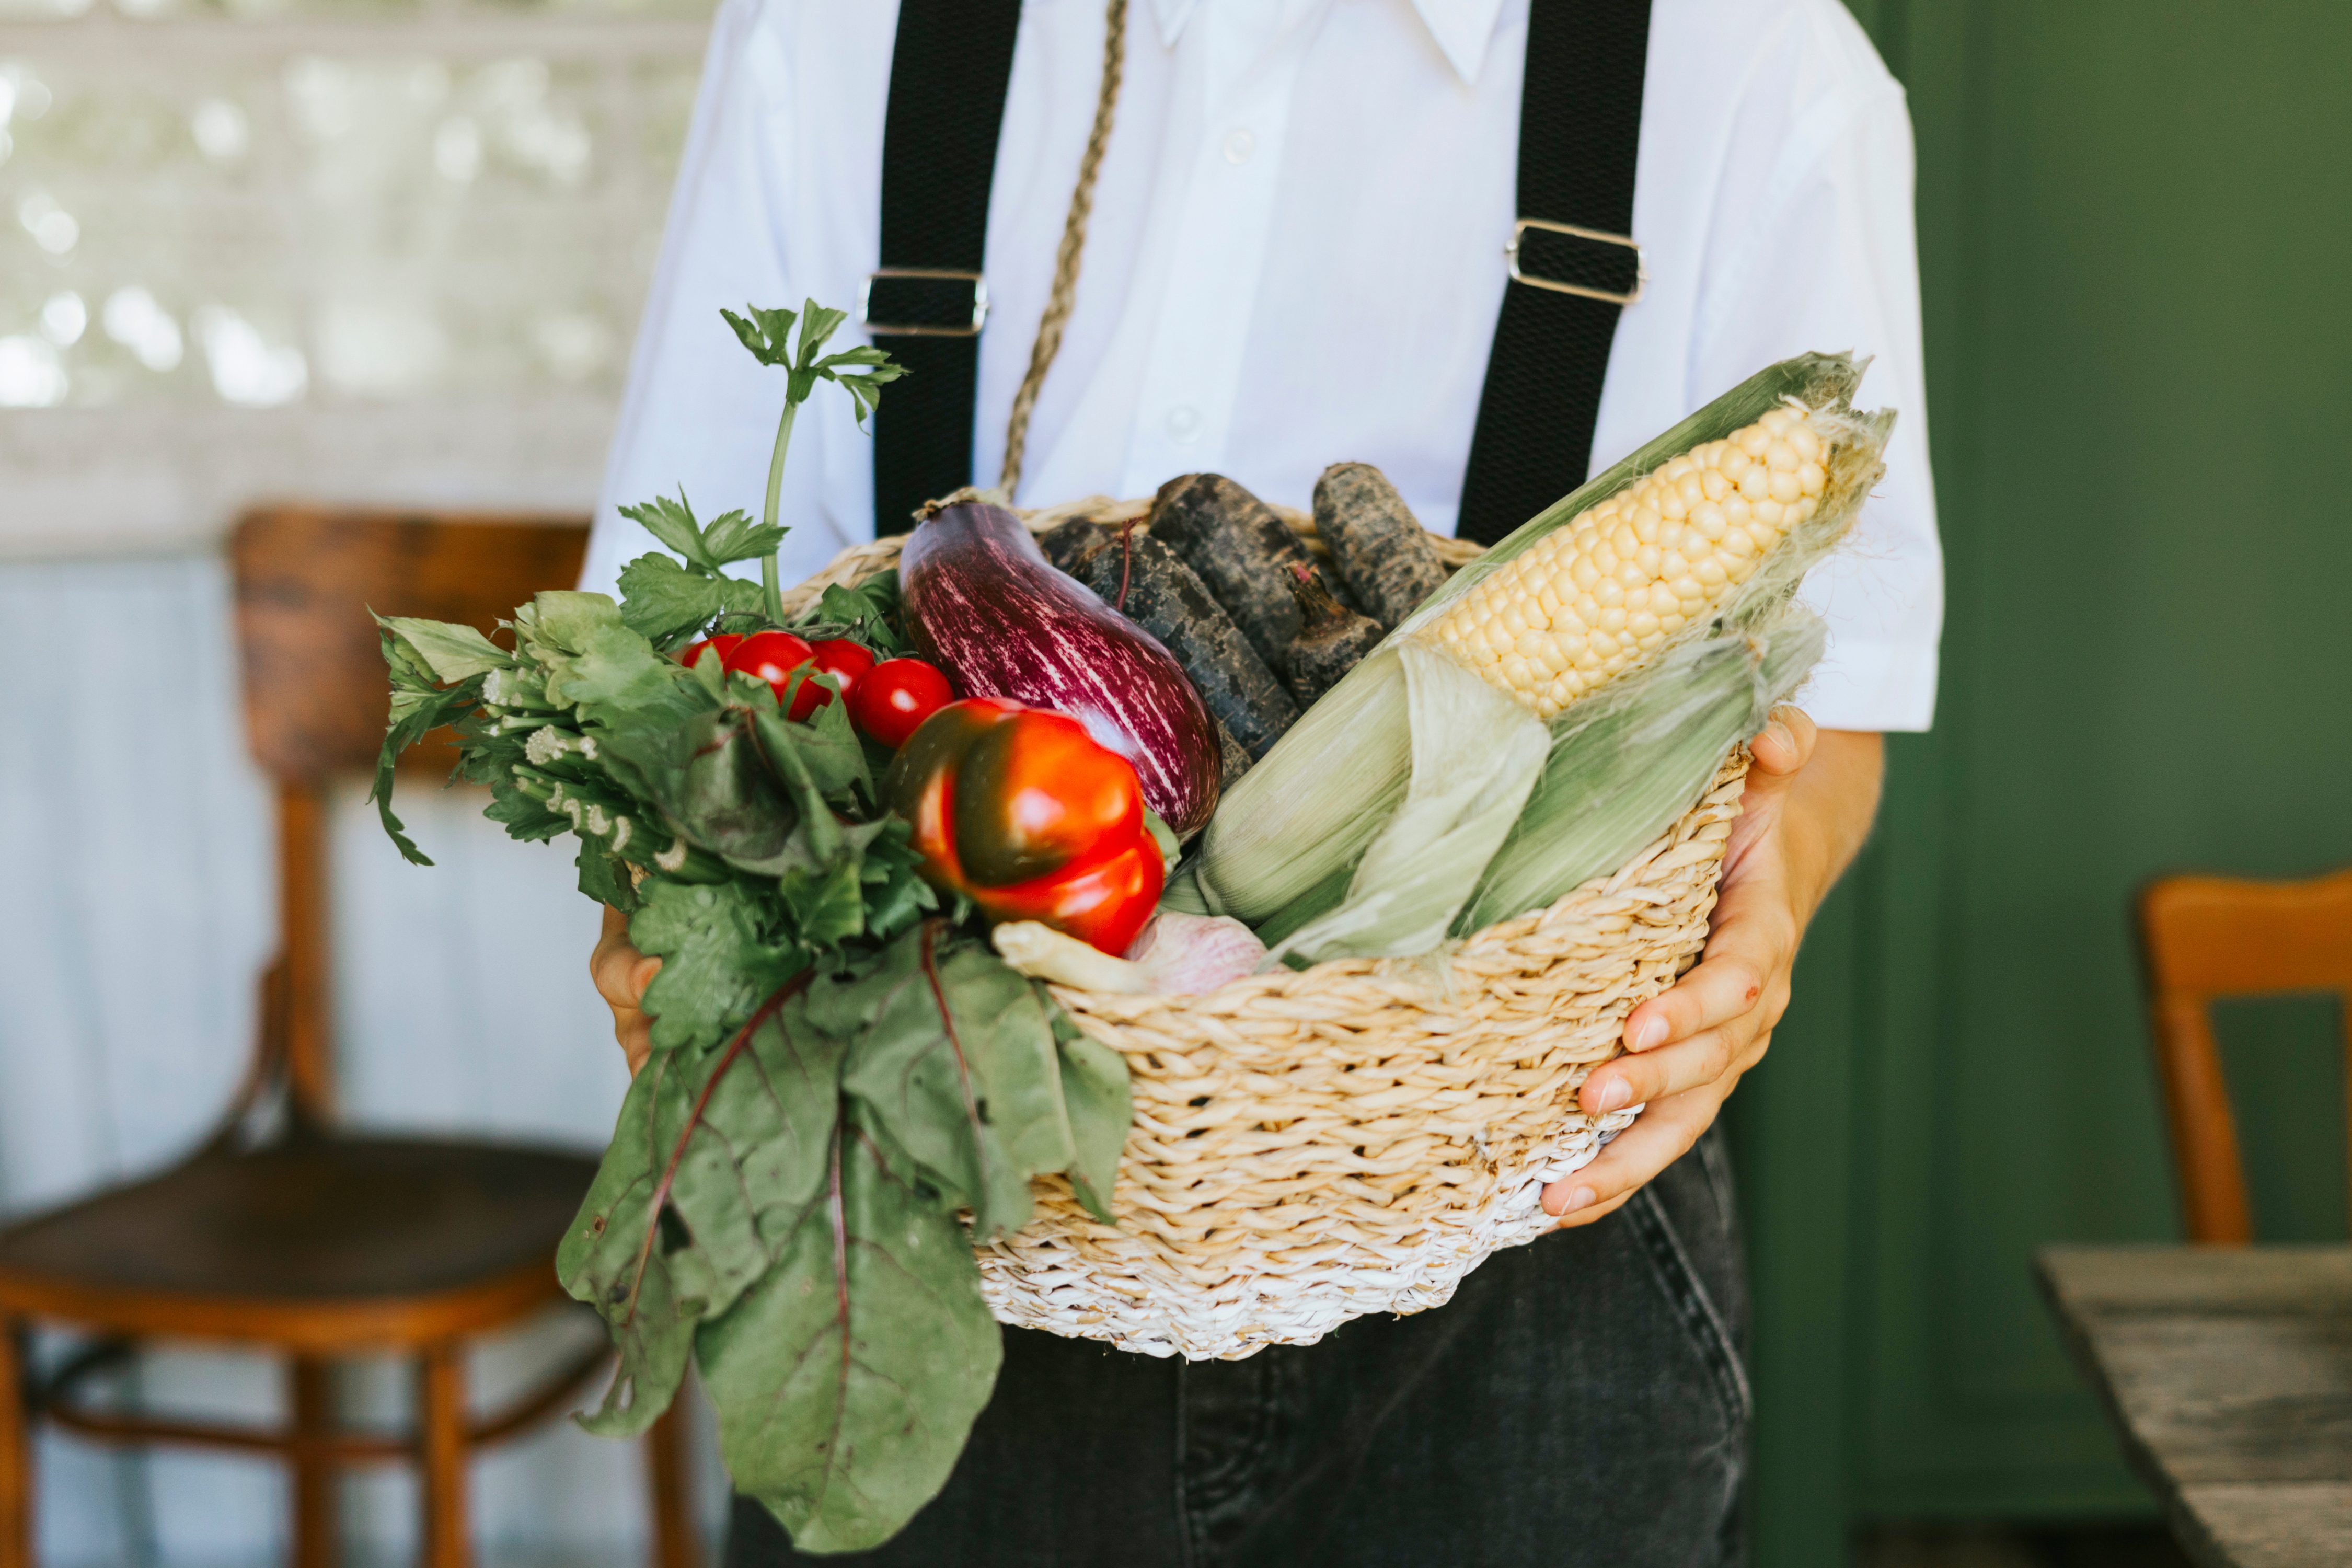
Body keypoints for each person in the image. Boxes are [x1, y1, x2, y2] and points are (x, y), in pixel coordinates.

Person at [586, 0, 1941, 1562]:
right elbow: (677, 627)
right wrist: (675, 891)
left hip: (1521, 1237)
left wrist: (1766, 920)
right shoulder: (844, 35)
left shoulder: (1750, 59)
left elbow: (1839, 695)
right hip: (929, 1211)